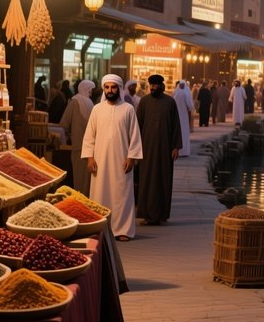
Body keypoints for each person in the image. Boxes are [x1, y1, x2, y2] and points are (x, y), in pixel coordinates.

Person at [81, 74, 143, 241]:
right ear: (103, 89)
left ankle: (122, 230)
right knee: (99, 194)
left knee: (122, 195)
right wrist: (89, 158)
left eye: (113, 87)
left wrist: (132, 157)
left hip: (121, 161)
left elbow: (135, 136)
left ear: (119, 89)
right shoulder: (97, 109)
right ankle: (99, 228)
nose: (110, 90)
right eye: (107, 87)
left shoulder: (128, 109)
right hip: (100, 161)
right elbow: (89, 136)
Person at [136, 74, 182, 225]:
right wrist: (135, 147)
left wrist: (175, 147)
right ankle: (147, 214)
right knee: (146, 180)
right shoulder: (144, 102)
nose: (153, 88)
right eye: (151, 85)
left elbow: (176, 125)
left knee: (163, 179)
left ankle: (162, 214)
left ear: (161, 86)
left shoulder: (170, 102)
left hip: (165, 149)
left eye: (156, 85)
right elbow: (137, 126)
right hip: (147, 149)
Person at [58, 79, 95, 195]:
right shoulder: (90, 103)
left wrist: (70, 134)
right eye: (90, 90)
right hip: (91, 149)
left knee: (79, 180)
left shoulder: (75, 101)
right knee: (87, 182)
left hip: (78, 146)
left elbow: (64, 123)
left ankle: (79, 206)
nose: (91, 92)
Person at [172, 80, 193, 157]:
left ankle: (178, 151)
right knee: (184, 132)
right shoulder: (185, 93)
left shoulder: (175, 93)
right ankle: (184, 151)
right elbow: (190, 106)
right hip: (184, 116)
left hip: (177, 115)